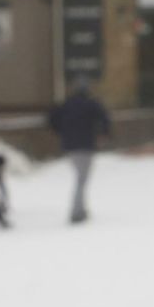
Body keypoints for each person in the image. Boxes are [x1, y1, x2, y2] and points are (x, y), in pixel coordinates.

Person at [48, 80, 112, 224]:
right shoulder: (91, 104)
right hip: (85, 146)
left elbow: (52, 118)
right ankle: (77, 211)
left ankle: (80, 208)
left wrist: (62, 133)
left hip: (70, 146)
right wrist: (103, 134)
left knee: (80, 178)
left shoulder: (67, 104)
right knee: (81, 179)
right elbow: (104, 119)